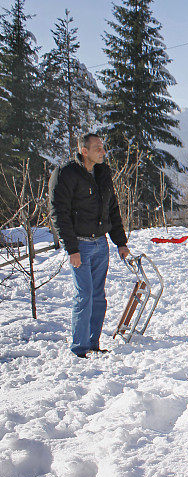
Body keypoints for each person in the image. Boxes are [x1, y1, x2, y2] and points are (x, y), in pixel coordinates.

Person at [49, 133, 130, 358]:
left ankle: (93, 344)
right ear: (84, 151)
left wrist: (120, 242)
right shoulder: (65, 173)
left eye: (103, 147)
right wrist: (71, 248)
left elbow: (112, 209)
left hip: (101, 244)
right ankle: (80, 349)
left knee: (98, 297)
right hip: (80, 246)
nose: (103, 151)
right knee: (83, 295)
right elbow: (59, 213)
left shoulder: (104, 173)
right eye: (97, 148)